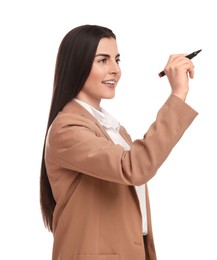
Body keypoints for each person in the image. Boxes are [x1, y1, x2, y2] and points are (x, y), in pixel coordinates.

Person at [40, 24, 198, 260]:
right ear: (77, 65)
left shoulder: (113, 128)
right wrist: (177, 96)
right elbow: (134, 166)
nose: (115, 70)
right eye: (102, 60)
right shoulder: (67, 128)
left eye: (117, 59)